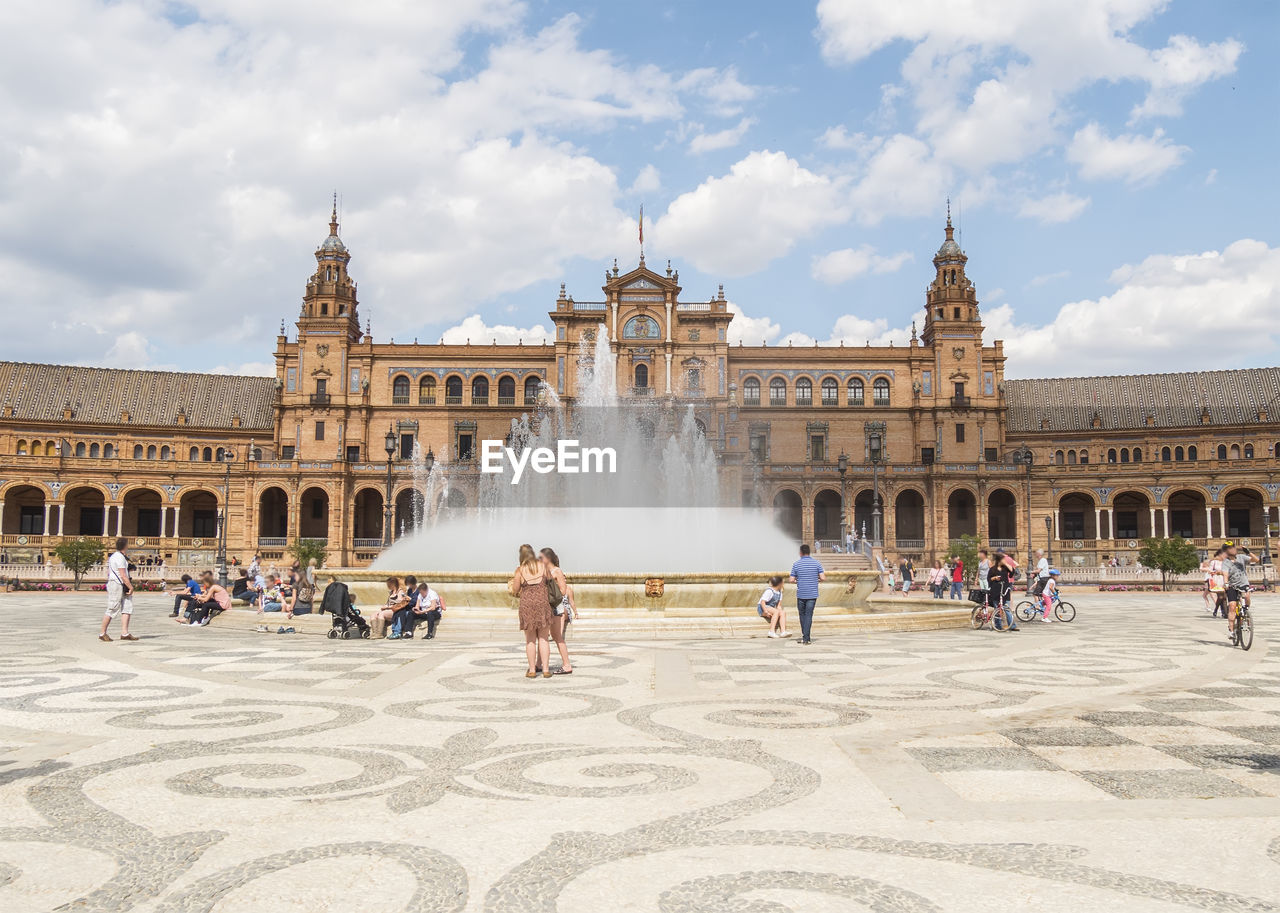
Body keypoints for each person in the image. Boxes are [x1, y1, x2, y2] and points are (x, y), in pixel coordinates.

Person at [509, 544, 552, 678]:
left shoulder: (520, 570)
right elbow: (550, 580)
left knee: (530, 640)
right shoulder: (543, 566)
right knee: (544, 639)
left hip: (527, 605)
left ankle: (532, 670)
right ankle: (545, 670)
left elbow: (515, 589)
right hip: (542, 604)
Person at [541, 547, 575, 672]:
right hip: (546, 606)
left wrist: (549, 593)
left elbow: (563, 590)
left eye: (541, 557)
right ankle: (539, 664)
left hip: (555, 606)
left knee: (556, 636)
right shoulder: (544, 570)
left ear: (548, 558)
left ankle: (567, 665)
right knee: (543, 636)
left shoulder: (556, 571)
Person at [100, 537, 137, 642]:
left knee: (127, 607)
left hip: (120, 584)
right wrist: (130, 586)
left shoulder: (118, 556)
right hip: (117, 584)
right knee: (113, 607)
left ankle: (125, 633)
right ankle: (102, 632)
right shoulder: (119, 557)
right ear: (125, 546)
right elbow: (123, 575)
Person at [788, 543, 826, 645]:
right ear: (809, 552)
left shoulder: (796, 564)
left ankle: (805, 637)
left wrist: (798, 580)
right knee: (809, 615)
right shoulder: (817, 563)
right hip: (812, 594)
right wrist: (815, 580)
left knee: (802, 615)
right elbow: (823, 578)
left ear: (800, 553)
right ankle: (806, 638)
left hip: (801, 594)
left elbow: (791, 580)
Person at [1223, 541, 1257, 641]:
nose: (1233, 549)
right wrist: (1226, 583)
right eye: (1230, 548)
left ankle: (1245, 611)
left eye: (1233, 547)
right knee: (1232, 606)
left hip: (1243, 584)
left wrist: (1248, 552)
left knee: (1247, 596)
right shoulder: (1226, 562)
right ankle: (1231, 630)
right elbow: (1225, 574)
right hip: (1232, 586)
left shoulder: (1241, 557)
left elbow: (1256, 560)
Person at [986, 554, 1019, 632]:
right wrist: (994, 578)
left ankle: (1012, 625)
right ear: (999, 560)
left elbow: (1012, 572)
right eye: (1003, 560)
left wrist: (1006, 564)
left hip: (1004, 590)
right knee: (997, 609)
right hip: (996, 590)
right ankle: (998, 625)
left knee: (1006, 609)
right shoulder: (992, 569)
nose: (1005, 561)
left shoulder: (1005, 568)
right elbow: (989, 579)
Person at [388, 574, 420, 639]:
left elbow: (417, 601)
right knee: (397, 612)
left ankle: (398, 632)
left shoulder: (418, 591)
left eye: (408, 584)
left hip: (414, 608)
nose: (408, 586)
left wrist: (409, 599)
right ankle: (394, 631)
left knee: (402, 613)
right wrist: (405, 598)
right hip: (408, 606)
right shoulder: (410, 590)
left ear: (412, 583)